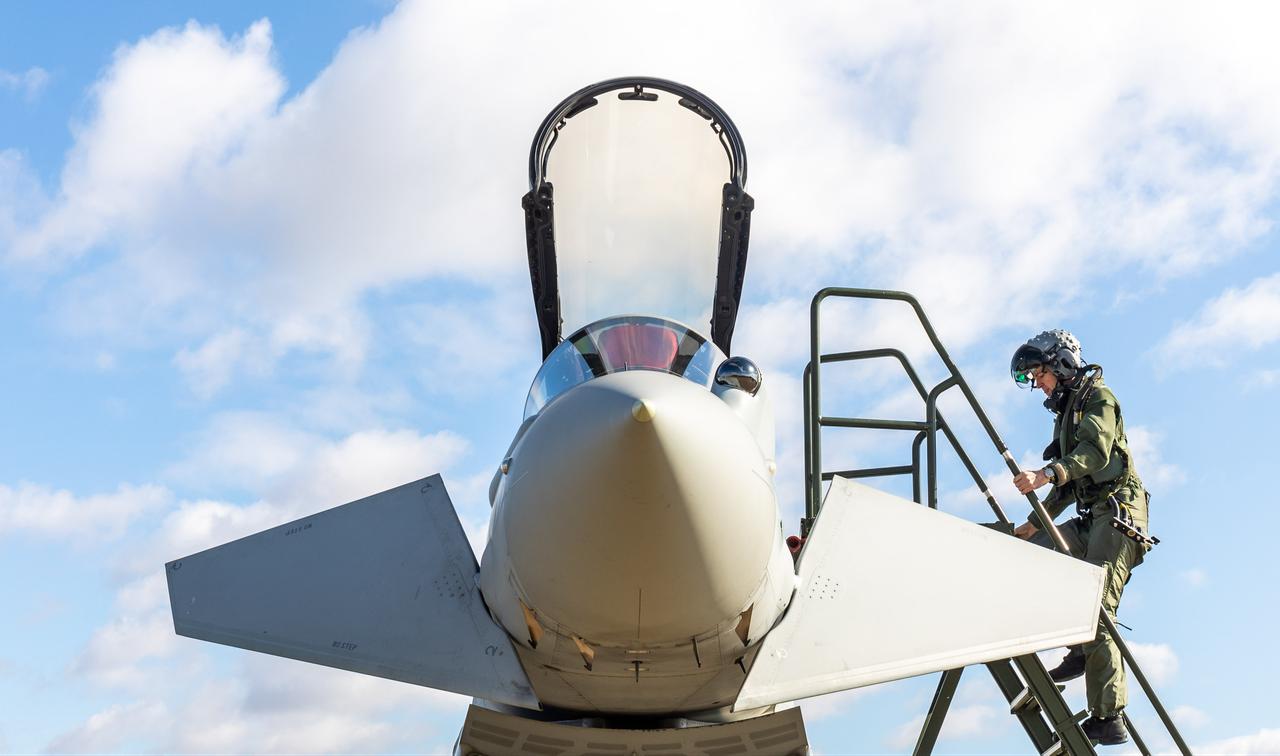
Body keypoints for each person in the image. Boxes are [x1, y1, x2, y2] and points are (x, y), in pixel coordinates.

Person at [1008, 330, 1150, 747]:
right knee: (1034, 556)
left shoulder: (1099, 399)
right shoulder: (1067, 412)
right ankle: (1078, 648)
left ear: (1061, 363)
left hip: (1119, 515)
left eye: (1039, 373)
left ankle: (1108, 717)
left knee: (1097, 610)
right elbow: (1071, 484)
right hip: (1092, 516)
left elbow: (1094, 456)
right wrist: (1035, 525)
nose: (1038, 383)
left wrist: (1045, 474)